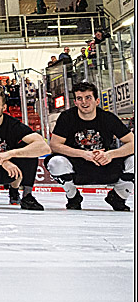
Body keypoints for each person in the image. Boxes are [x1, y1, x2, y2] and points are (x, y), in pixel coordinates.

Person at [46, 81, 134, 211]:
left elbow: (133, 143)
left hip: (105, 164)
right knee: (55, 162)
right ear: (75, 102)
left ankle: (119, 196)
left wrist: (110, 154)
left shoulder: (108, 118)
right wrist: (83, 154)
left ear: (97, 101)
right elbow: (55, 145)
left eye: (88, 98)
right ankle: (73, 197)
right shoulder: (67, 117)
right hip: (77, 166)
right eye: (79, 98)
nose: (84, 102)